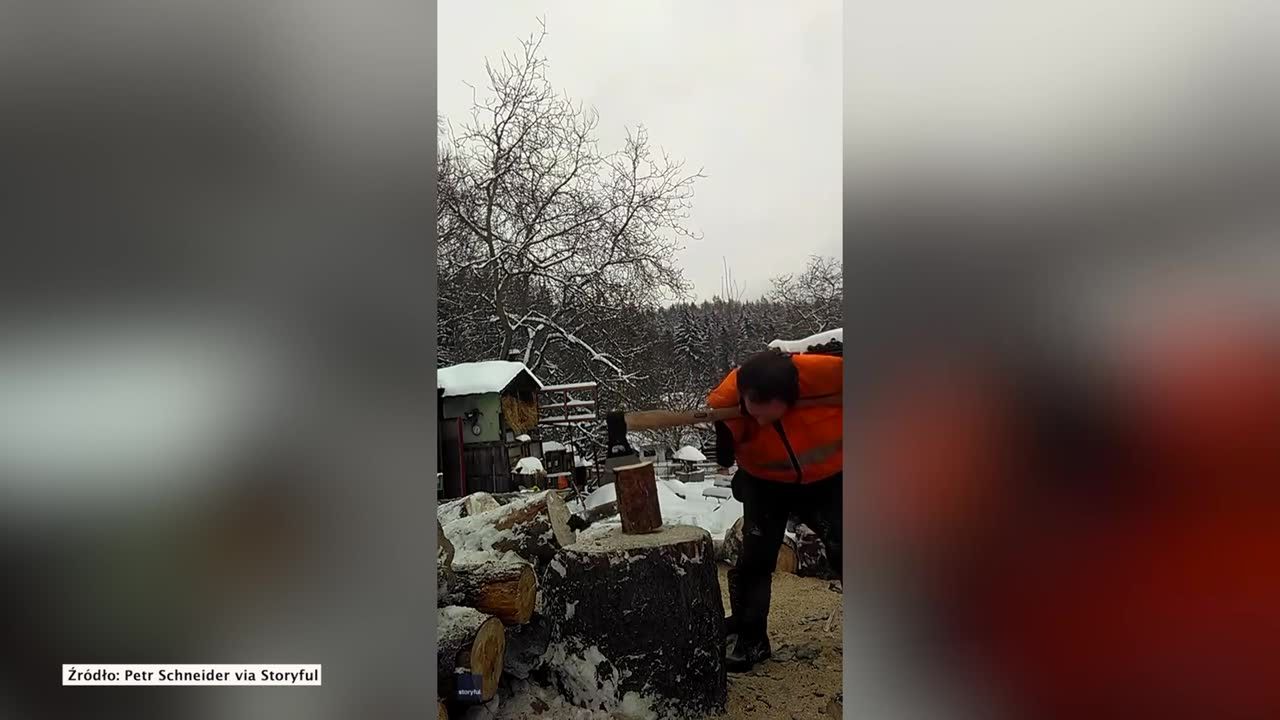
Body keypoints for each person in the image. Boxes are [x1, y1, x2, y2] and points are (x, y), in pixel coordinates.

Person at [708, 349, 843, 672]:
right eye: (750, 411)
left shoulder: (827, 374)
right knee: (755, 559)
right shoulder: (729, 398)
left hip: (829, 478)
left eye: (763, 413)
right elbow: (725, 452)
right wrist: (726, 435)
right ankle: (750, 636)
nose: (756, 419)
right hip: (764, 481)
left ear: (787, 399)